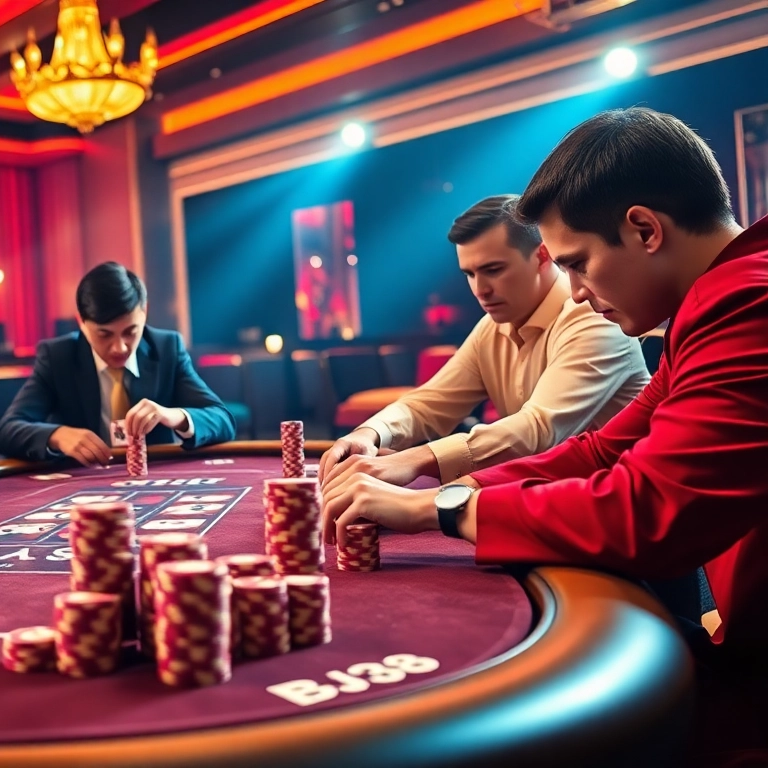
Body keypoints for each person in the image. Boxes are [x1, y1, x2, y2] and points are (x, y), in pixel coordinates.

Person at [320, 108, 768, 762]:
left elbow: (649, 512)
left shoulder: (746, 304)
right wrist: (451, 486)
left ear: (644, 228)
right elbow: (601, 450)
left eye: (579, 263)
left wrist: (436, 507)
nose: (579, 292)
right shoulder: (707, 308)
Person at [319, 194, 649, 487]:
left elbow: (538, 431)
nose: (480, 289)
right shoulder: (491, 327)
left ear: (542, 256)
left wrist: (414, 460)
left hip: (630, 511)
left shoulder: (594, 316)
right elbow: (428, 403)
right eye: (470, 274)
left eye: (493, 269)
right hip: (551, 502)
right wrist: (369, 433)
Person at [0, 261, 235, 464]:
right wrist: (58, 435)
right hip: (82, 484)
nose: (120, 347)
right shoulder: (58, 356)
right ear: (82, 323)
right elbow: (6, 431)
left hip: (154, 480)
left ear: (144, 312)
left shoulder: (167, 348)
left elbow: (222, 420)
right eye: (104, 334)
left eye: (130, 331)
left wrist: (172, 416)